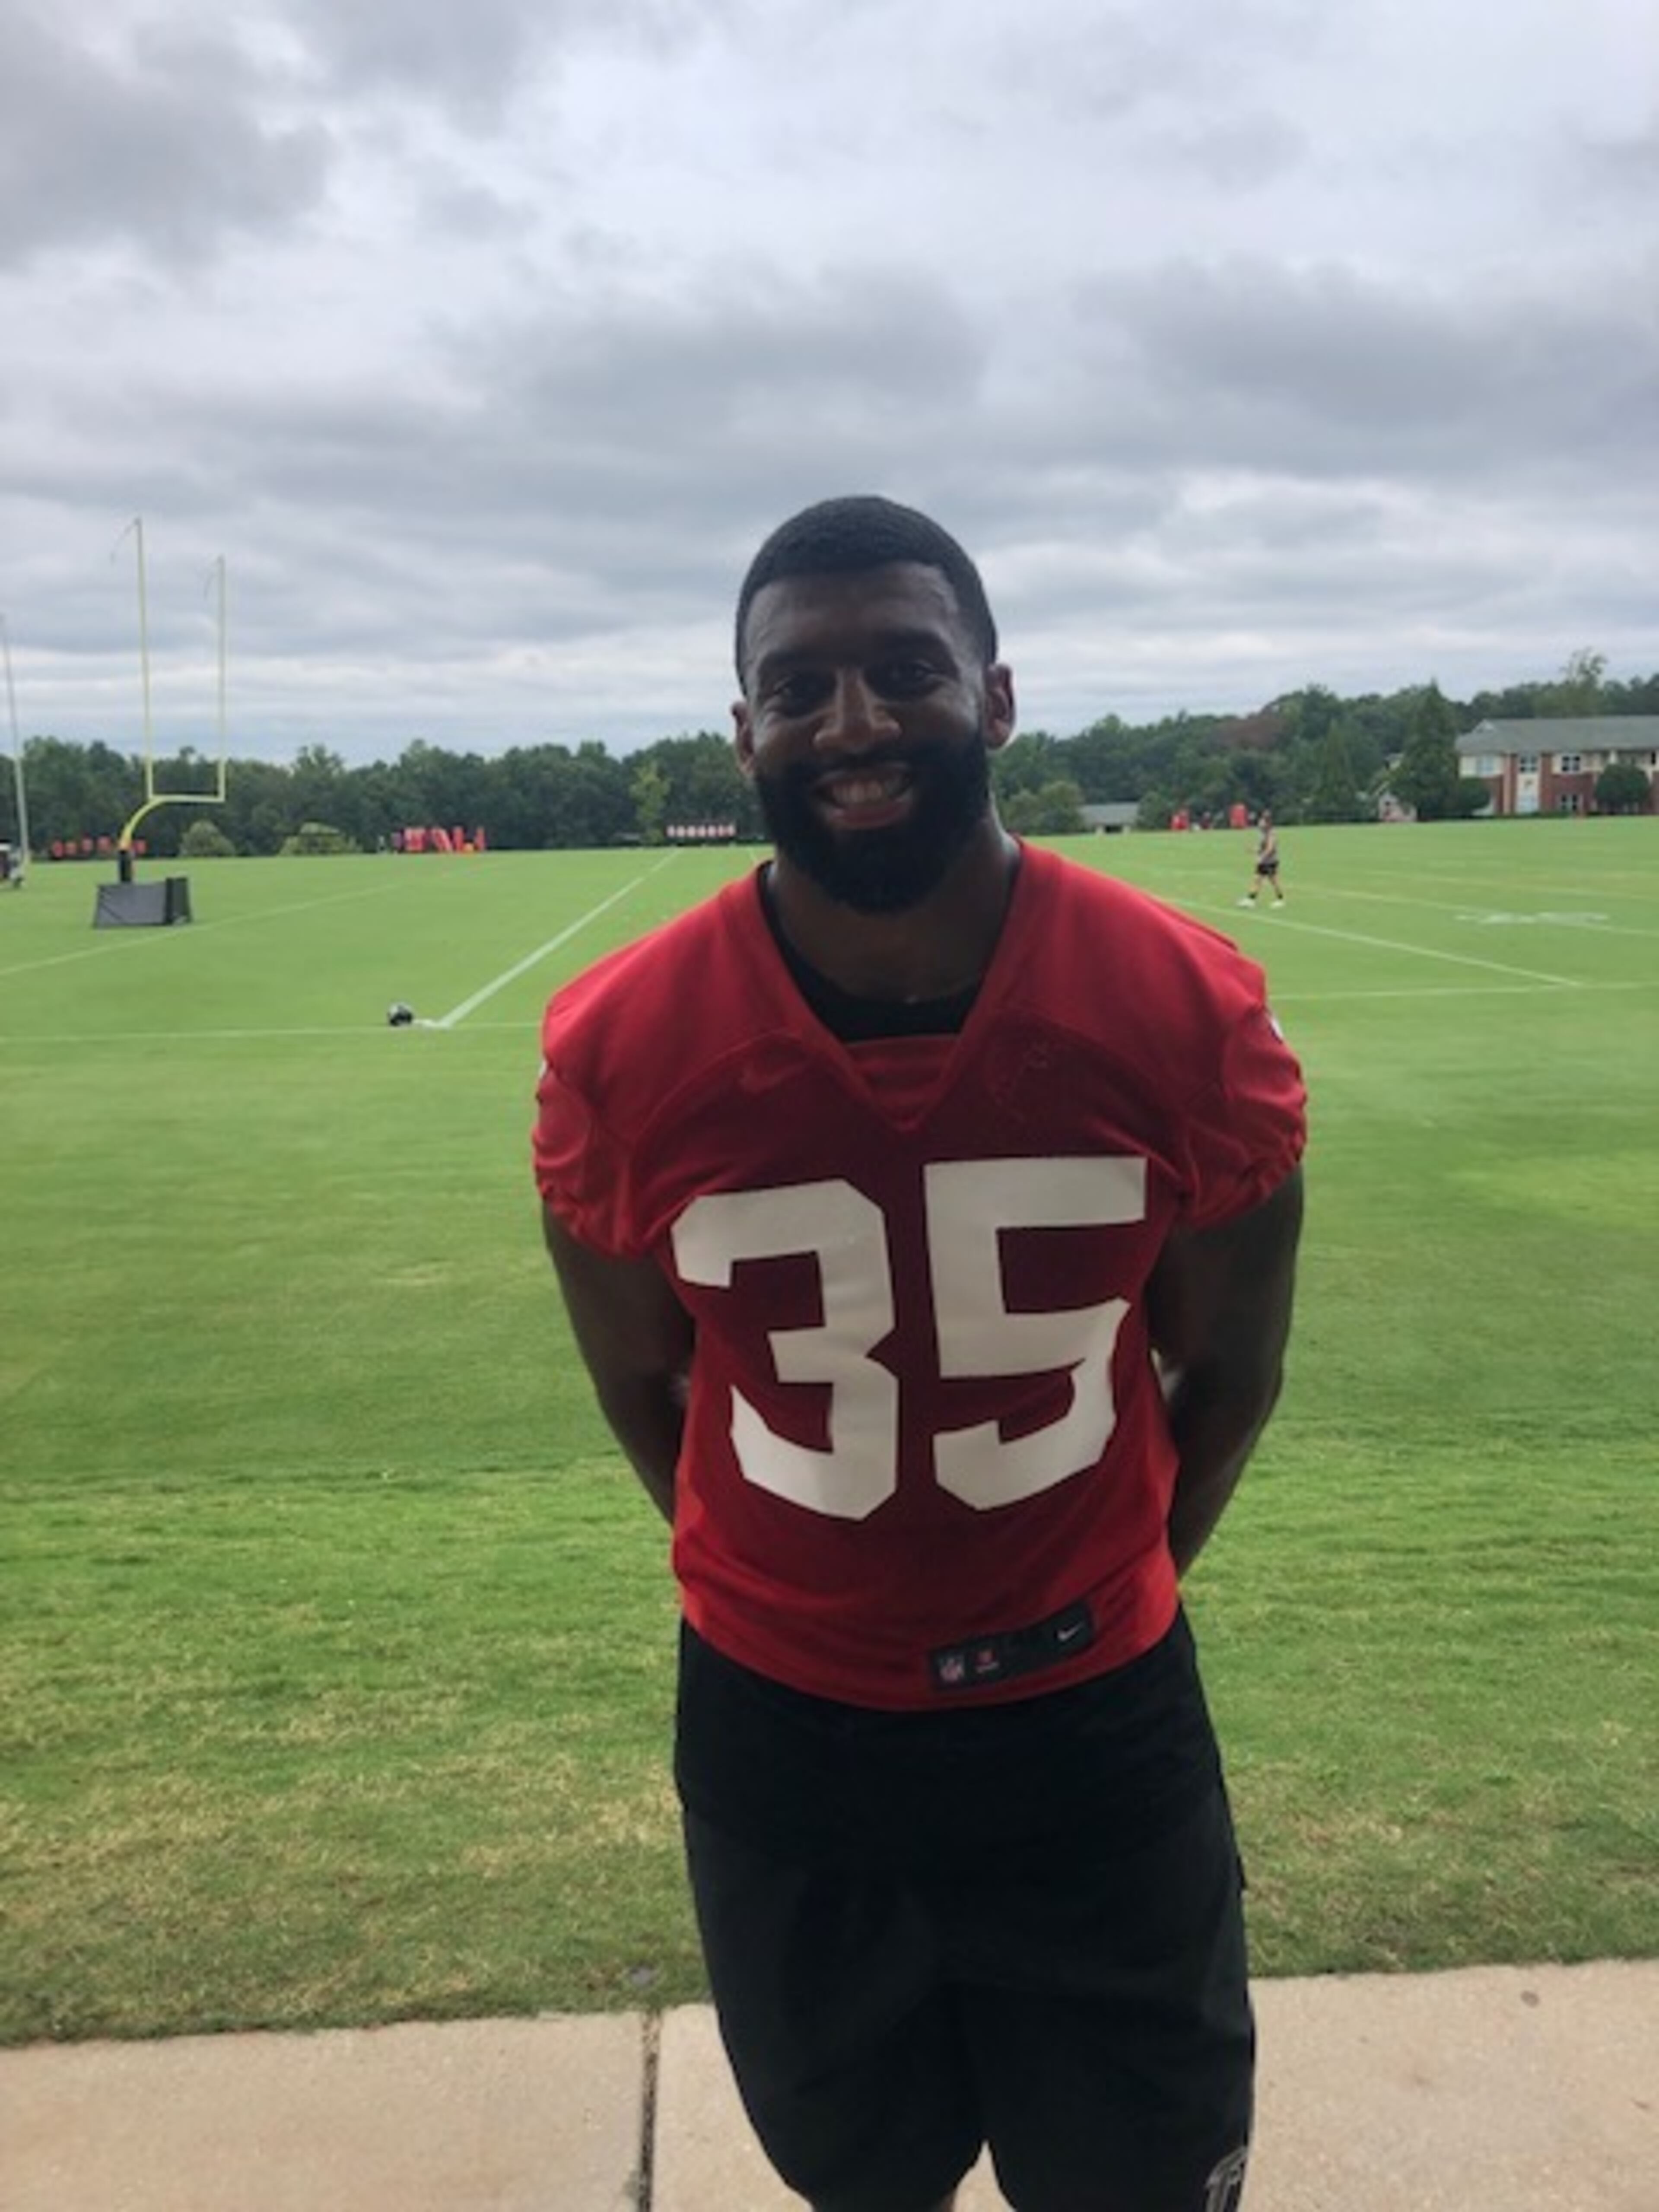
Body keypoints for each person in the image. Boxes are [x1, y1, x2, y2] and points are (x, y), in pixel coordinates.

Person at [534, 495, 1306, 2212]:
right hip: (785, 1734)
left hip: (1092, 1726)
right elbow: (643, 1387)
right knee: (857, 2175)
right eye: (798, 687)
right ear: (743, 733)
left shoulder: (1181, 1007)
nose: (855, 719)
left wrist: (1116, 1582)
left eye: (905, 669)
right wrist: (802, 1588)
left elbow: (1234, 1373)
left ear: (1000, 697)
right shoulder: (624, 1045)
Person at [1240, 812, 1284, 906]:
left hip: (1270, 862)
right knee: (1258, 880)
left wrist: (1261, 858)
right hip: (1264, 862)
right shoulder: (1263, 834)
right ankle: (1251, 900)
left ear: (1267, 823)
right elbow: (1262, 848)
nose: (1259, 824)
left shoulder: (1271, 834)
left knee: (1273, 881)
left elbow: (1270, 848)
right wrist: (1252, 850)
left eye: (1262, 822)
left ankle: (1280, 900)